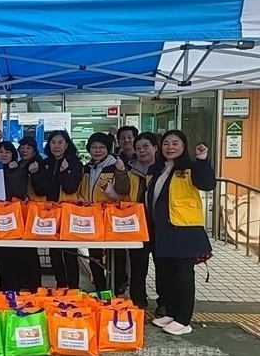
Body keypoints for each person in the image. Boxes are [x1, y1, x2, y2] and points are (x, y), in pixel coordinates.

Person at [148, 130, 215, 336]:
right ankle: (172, 313)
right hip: (164, 231)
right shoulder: (160, 169)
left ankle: (183, 320)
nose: (170, 147)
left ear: (184, 146)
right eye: (166, 143)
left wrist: (202, 160)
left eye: (175, 143)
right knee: (168, 275)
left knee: (183, 276)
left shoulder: (191, 167)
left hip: (184, 231)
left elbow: (207, 184)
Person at [79, 132, 130, 293]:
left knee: (115, 253)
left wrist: (107, 189)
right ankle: (100, 288)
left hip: (111, 217)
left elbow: (121, 194)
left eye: (101, 147)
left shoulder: (116, 167)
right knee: (94, 255)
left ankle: (117, 286)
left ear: (108, 149)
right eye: (94, 147)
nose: (97, 150)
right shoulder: (87, 167)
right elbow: (83, 191)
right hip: (92, 218)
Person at [0, 140, 42, 291]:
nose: (3, 155)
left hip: (18, 220)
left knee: (23, 255)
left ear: (13, 154)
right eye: (0, 152)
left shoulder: (19, 169)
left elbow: (18, 191)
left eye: (7, 152)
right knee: (2, 256)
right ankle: (6, 289)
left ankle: (28, 288)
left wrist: (13, 172)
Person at [42, 131, 83, 289]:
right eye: (53, 142)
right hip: (50, 213)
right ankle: (60, 286)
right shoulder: (47, 162)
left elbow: (71, 187)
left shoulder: (74, 163)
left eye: (60, 142)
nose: (56, 146)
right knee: (54, 252)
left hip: (69, 213)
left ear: (67, 145)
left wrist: (64, 171)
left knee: (70, 253)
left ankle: (73, 288)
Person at [126, 132, 159, 310]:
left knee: (162, 265)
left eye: (146, 146)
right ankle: (138, 300)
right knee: (138, 265)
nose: (142, 151)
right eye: (138, 148)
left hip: (160, 224)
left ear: (155, 147)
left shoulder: (164, 169)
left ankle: (164, 302)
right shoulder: (130, 170)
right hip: (137, 224)